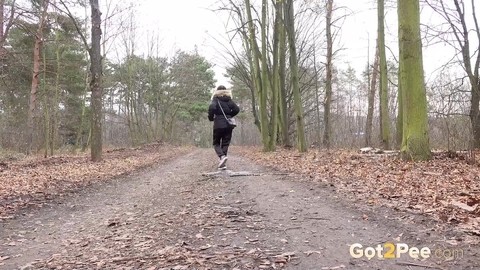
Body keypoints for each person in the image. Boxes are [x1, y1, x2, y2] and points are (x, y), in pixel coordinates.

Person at [208, 85, 240, 170]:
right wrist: (229, 116)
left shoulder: (216, 99)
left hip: (218, 123)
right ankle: (223, 162)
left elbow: (212, 107)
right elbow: (237, 109)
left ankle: (222, 157)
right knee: (225, 143)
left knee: (216, 143)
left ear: (216, 91)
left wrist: (211, 117)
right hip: (229, 124)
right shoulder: (229, 100)